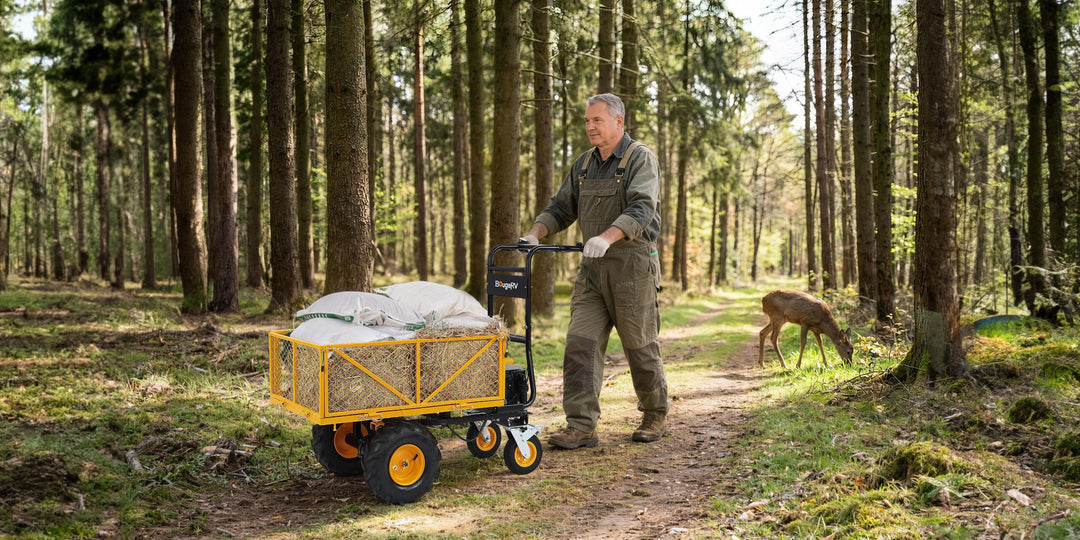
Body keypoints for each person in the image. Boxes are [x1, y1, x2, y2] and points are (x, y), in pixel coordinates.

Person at [521, 93, 669, 449]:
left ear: (619, 122)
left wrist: (606, 236)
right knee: (580, 344)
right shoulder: (585, 163)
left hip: (632, 267)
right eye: (587, 121)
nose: (590, 127)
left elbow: (641, 208)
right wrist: (534, 234)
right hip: (592, 271)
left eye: (597, 121)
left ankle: (655, 412)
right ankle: (581, 424)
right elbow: (560, 207)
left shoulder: (640, 159)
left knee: (639, 345)